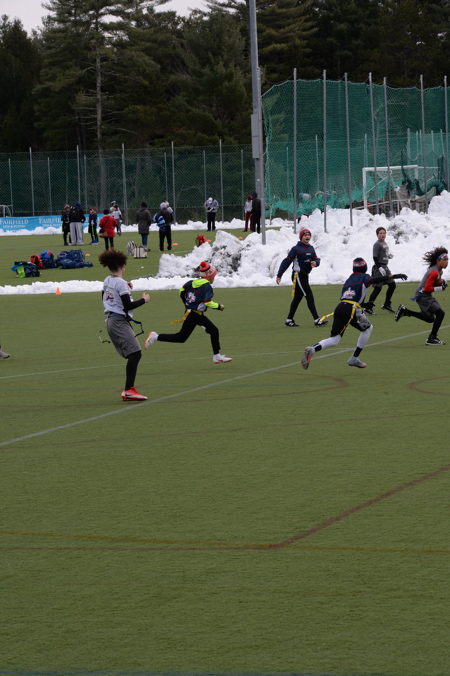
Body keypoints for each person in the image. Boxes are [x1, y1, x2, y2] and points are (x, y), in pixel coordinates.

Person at [301, 257, 407, 370]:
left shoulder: (349, 279)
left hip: (340, 307)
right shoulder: (365, 277)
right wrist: (393, 276)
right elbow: (375, 280)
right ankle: (354, 358)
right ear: (364, 267)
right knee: (368, 329)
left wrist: (364, 304)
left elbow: (349, 297)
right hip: (352, 309)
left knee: (334, 339)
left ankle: (312, 349)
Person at [144, 261, 232, 364]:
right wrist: (219, 306)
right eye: (213, 276)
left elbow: (181, 291)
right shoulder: (207, 286)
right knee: (183, 337)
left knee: (211, 331)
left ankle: (216, 356)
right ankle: (155, 336)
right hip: (194, 315)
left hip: (193, 313)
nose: (214, 278)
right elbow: (207, 302)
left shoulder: (192, 282)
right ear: (209, 276)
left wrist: (187, 303)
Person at [99, 248, 150, 401]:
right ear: (122, 266)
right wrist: (144, 300)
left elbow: (104, 296)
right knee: (135, 353)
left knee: (134, 353)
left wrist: (125, 288)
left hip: (111, 320)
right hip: (118, 321)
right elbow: (128, 306)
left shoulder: (108, 280)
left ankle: (129, 389)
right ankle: (128, 390)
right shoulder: (120, 283)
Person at [395, 247, 448, 345]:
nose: (447, 262)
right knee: (440, 314)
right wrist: (440, 288)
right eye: (444, 259)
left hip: (424, 295)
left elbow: (433, 282)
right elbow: (427, 288)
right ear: (438, 260)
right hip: (422, 295)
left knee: (430, 319)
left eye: (447, 259)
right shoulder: (434, 272)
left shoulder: (439, 271)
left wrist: (441, 282)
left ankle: (406, 311)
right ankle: (432, 338)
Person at [276, 227, 328, 327]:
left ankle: (289, 320)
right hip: (298, 276)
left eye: (309, 235)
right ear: (301, 237)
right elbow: (287, 261)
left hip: (305, 276)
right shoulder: (296, 249)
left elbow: (316, 259)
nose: (307, 237)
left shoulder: (311, 248)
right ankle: (317, 319)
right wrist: (279, 275)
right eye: (305, 235)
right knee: (309, 296)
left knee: (297, 298)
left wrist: (315, 263)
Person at [366, 226, 396, 313]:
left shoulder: (384, 243)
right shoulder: (377, 244)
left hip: (386, 267)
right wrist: (379, 267)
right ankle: (368, 307)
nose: (382, 235)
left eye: (384, 233)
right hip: (379, 268)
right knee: (378, 288)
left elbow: (383, 253)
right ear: (377, 235)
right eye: (380, 233)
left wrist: (388, 256)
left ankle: (387, 304)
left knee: (392, 285)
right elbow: (375, 257)